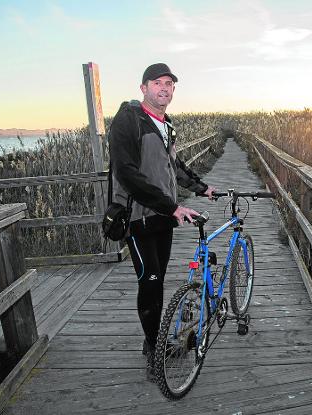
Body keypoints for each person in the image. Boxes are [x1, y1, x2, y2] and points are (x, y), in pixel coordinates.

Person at [108, 63, 216, 369]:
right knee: (150, 282)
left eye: (169, 84)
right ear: (143, 88)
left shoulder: (165, 123)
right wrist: (172, 206)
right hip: (138, 217)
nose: (165, 88)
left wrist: (201, 187)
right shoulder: (128, 121)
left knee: (159, 279)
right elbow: (126, 173)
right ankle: (156, 355)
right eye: (158, 83)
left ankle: (152, 341)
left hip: (162, 219)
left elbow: (174, 166)